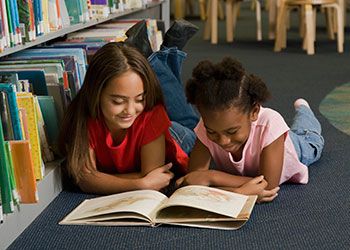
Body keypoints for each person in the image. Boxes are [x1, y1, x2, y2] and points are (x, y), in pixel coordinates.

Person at [176, 57, 324, 203]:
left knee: (309, 137)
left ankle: (304, 110)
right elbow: (193, 180)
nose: (223, 141)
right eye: (212, 132)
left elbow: (268, 186)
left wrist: (211, 177)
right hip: (261, 156)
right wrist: (239, 192)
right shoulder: (207, 125)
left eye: (232, 131)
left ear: (254, 112)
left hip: (295, 148)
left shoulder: (270, 124)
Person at [58, 42, 197, 195]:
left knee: (193, 124)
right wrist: (140, 184)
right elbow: (85, 180)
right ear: (95, 94)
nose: (130, 110)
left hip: (180, 139)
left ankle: (165, 55)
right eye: (118, 101)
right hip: (153, 128)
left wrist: (102, 179)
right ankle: (159, 56)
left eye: (139, 99)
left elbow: (151, 175)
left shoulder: (151, 113)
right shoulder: (83, 117)